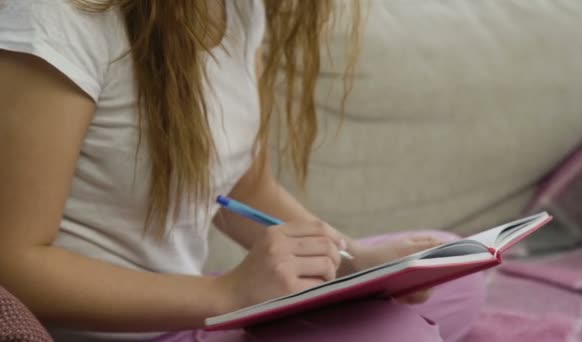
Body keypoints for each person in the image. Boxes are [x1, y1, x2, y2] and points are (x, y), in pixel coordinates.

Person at [0, 0, 485, 341]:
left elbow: (242, 185)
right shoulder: (55, 18)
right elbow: (13, 266)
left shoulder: (239, 8)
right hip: (124, 329)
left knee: (452, 279)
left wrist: (352, 262)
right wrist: (224, 293)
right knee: (398, 334)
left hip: (196, 307)